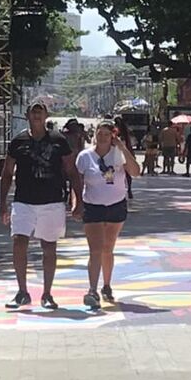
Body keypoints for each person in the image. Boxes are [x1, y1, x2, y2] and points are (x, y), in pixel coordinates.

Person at [0, 99, 82, 310]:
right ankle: (22, 291)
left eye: (40, 111)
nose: (36, 115)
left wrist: (77, 200)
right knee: (19, 242)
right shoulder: (18, 142)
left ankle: (47, 293)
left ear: (46, 116)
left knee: (48, 247)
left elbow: (71, 171)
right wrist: (2, 203)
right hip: (23, 200)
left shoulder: (58, 140)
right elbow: (7, 173)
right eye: (33, 111)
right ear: (27, 115)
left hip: (51, 201)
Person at [75, 119, 141, 310]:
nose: (103, 137)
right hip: (92, 205)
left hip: (116, 205)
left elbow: (136, 172)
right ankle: (92, 290)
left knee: (107, 248)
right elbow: (77, 183)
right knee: (95, 248)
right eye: (100, 133)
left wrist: (122, 147)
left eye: (107, 134)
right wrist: (76, 203)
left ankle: (106, 285)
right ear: (94, 134)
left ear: (112, 135)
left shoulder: (118, 154)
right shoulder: (85, 156)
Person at [114, 116, 137, 200]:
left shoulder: (114, 131)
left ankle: (113, 187)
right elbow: (129, 143)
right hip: (126, 152)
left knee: (112, 171)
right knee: (127, 173)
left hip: (117, 153)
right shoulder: (126, 131)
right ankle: (129, 190)